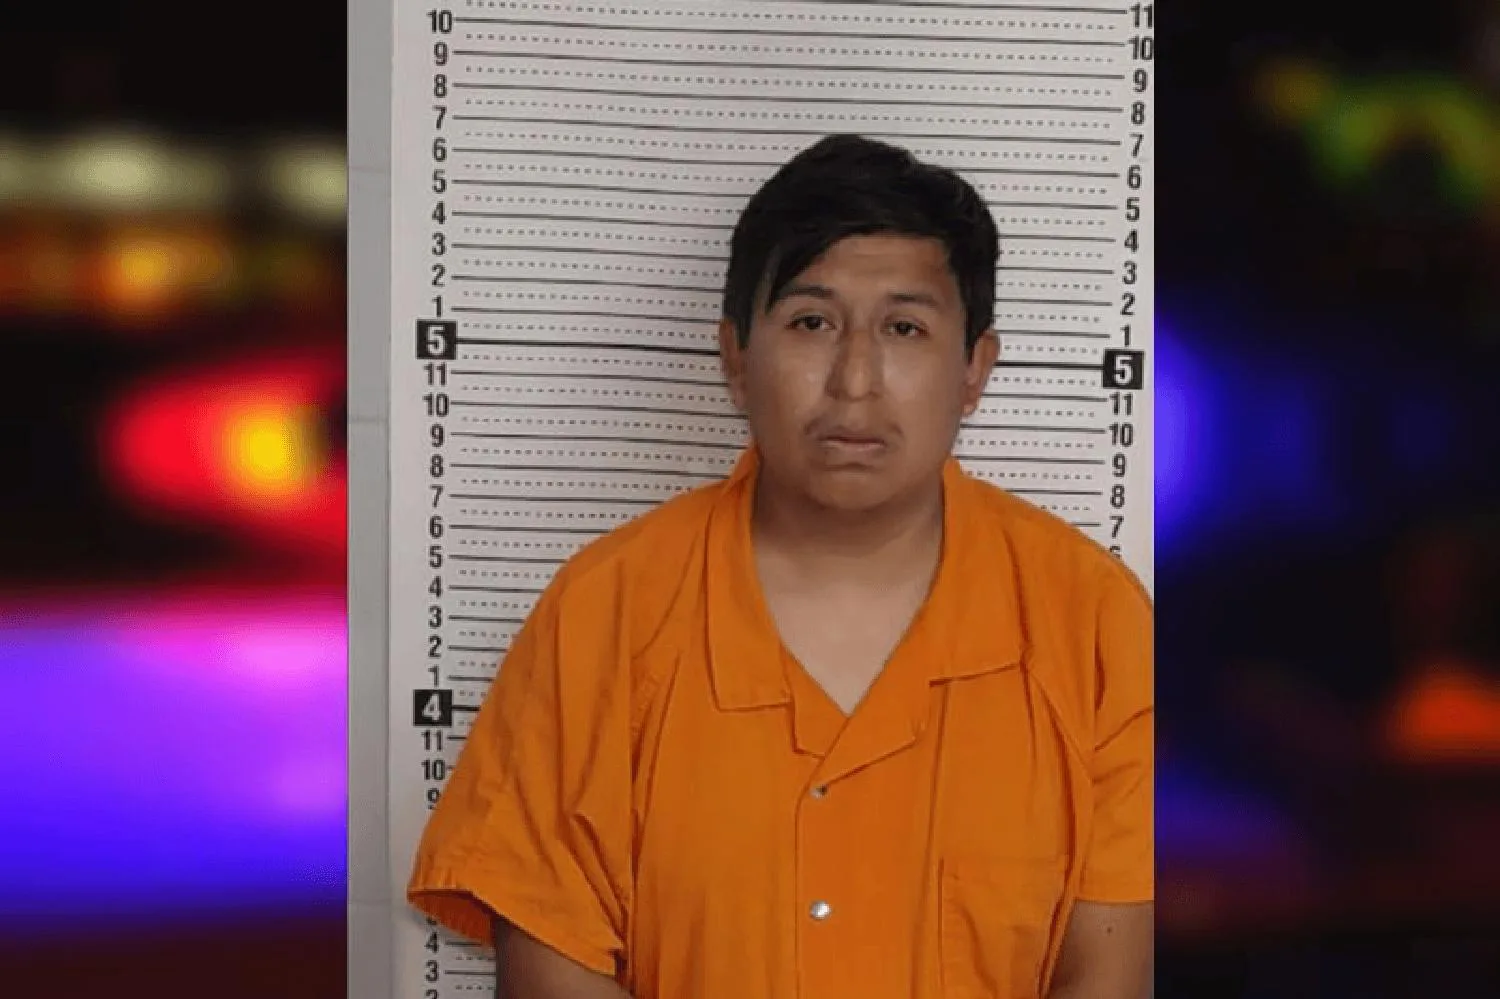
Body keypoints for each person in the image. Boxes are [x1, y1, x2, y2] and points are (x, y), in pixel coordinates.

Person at [406, 134, 1154, 999]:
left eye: (904, 328)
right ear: (735, 357)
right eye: (811, 322)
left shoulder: (1093, 622)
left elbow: (1110, 971)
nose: (855, 381)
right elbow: (551, 976)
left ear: (974, 370)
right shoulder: (604, 612)